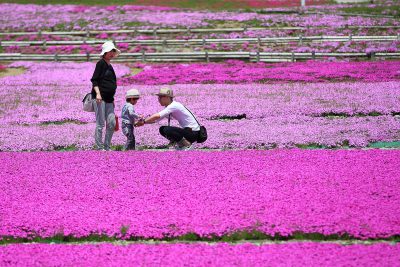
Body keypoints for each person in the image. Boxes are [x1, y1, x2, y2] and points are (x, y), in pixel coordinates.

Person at [135, 87, 200, 150]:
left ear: (167, 97)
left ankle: (186, 144)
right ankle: (182, 144)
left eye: (161, 97)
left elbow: (157, 116)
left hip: (193, 133)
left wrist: (143, 121)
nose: (158, 99)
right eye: (158, 97)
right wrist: (142, 122)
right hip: (190, 132)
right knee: (162, 129)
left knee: (167, 130)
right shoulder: (170, 107)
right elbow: (156, 120)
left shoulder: (174, 105)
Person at [90, 41, 120, 151]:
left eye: (113, 51)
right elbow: (94, 80)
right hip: (100, 98)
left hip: (109, 99)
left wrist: (112, 99)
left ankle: (107, 146)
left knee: (111, 122)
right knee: (100, 123)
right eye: (110, 51)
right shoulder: (101, 63)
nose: (112, 53)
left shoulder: (110, 66)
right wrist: (98, 94)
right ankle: (99, 147)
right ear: (105, 53)